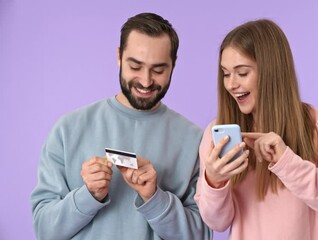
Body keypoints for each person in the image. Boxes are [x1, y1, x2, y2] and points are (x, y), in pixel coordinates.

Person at [31, 12, 211, 240]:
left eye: (158, 70)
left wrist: (154, 198)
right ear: (119, 56)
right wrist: (88, 196)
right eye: (135, 66)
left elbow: (201, 236)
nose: (146, 81)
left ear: (174, 65)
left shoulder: (195, 140)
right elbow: (45, 231)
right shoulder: (67, 130)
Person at [194, 19, 318, 240]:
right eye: (226, 74)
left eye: (242, 73)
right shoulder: (217, 133)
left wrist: (287, 162)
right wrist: (214, 180)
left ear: (271, 72)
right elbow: (217, 223)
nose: (231, 84)